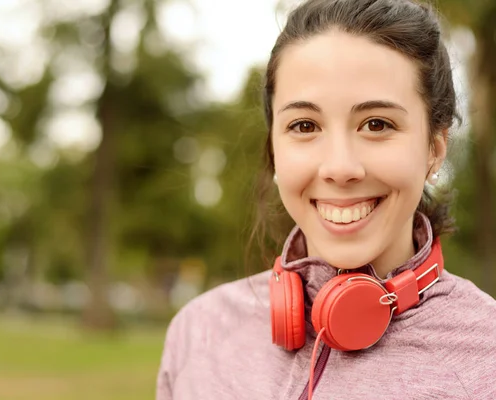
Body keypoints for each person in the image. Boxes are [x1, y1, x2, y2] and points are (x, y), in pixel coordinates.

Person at [156, 0, 496, 398]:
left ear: (434, 149)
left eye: (376, 124)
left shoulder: (486, 359)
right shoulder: (199, 333)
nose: (339, 167)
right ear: (274, 148)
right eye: (304, 125)